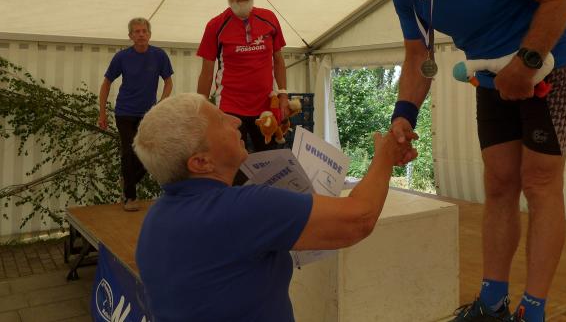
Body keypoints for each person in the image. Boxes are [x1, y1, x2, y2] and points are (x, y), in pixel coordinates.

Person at [338, 0, 566, 322]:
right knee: (499, 182)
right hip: (490, 75)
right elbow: (418, 57)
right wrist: (403, 117)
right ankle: (492, 303)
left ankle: (534, 309)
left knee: (540, 183)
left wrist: (526, 63)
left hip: (548, 62)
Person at [133, 93, 406, 322]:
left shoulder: (155, 218)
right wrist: (385, 155)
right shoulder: (243, 208)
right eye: (220, 119)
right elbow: (360, 217)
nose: (236, 120)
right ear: (201, 162)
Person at [197, 0, 290, 153]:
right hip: (229, 107)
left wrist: (283, 94)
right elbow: (206, 73)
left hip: (266, 107)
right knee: (232, 161)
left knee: (269, 160)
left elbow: (279, 60)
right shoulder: (215, 25)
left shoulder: (269, 18)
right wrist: (201, 110)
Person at [98, 17, 173, 212]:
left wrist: (161, 104)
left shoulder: (159, 55)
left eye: (144, 31)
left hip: (148, 115)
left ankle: (128, 180)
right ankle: (130, 197)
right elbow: (106, 83)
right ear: (130, 36)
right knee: (129, 152)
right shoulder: (122, 57)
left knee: (149, 154)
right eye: (137, 31)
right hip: (124, 112)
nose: (141, 34)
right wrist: (102, 112)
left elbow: (168, 82)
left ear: (150, 34)